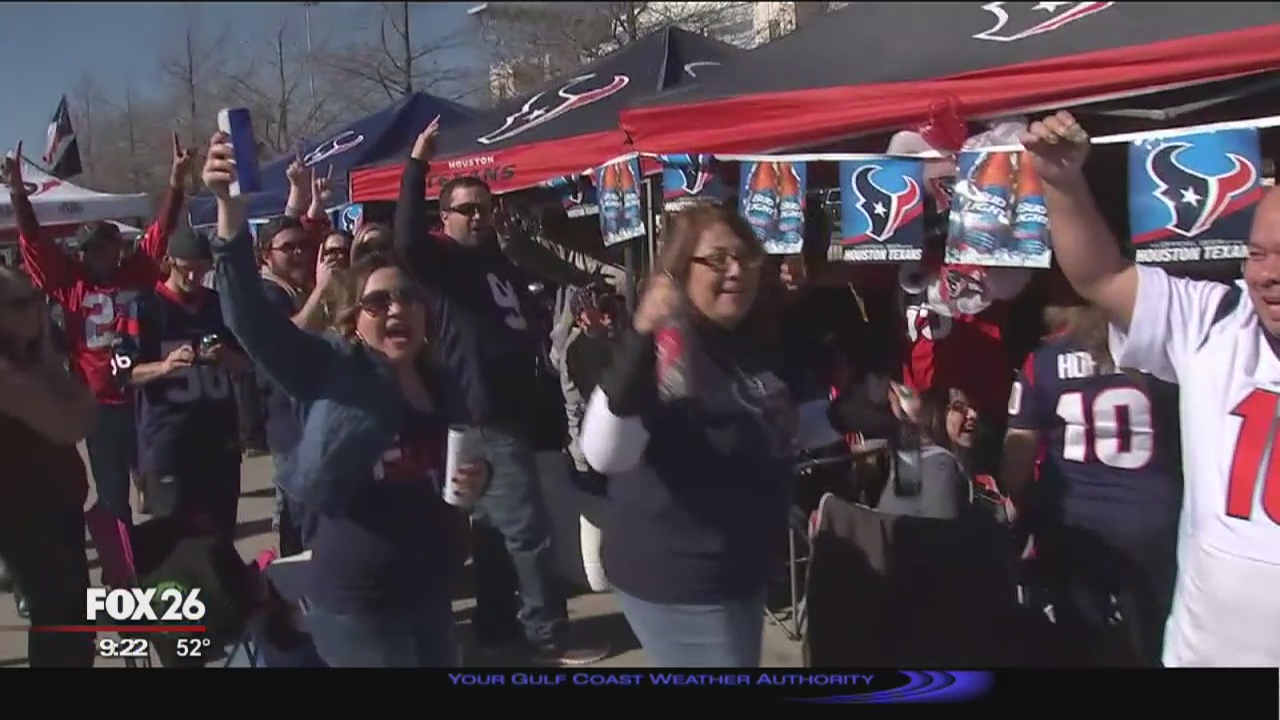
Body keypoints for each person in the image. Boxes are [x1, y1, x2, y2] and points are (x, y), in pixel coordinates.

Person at [202, 129, 487, 668]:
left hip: (432, 593)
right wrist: (230, 215)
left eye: (407, 297)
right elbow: (249, 320)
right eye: (378, 302)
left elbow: (461, 476)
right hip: (359, 603)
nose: (397, 309)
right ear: (355, 321)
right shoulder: (333, 370)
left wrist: (478, 479)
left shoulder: (441, 381)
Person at [1024, 110, 1280, 666]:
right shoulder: (1216, 321)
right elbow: (1101, 276)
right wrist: (1062, 183)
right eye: (1256, 253)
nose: (1267, 274)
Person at [580, 205, 838, 667]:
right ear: (680, 271)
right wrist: (641, 335)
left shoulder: (753, 338)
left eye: (745, 257)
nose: (736, 270)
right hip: (679, 576)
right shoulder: (667, 348)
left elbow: (781, 426)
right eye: (717, 259)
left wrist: (847, 415)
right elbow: (605, 453)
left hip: (741, 567)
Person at [394, 117, 604, 665]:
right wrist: (417, 165)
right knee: (529, 532)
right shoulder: (442, 263)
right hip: (482, 414)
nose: (478, 217)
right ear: (445, 217)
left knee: (492, 531)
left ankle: (495, 626)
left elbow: (525, 326)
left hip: (512, 411)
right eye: (466, 209)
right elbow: (406, 240)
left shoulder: (499, 263)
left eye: (484, 209)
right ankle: (547, 638)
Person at [5, 136, 191, 524]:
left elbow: (161, 231)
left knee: (162, 488)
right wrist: (19, 195)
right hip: (101, 404)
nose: (101, 255)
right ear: (83, 252)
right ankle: (121, 559)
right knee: (111, 495)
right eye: (92, 248)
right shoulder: (70, 282)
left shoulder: (135, 272)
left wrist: (176, 182)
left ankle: (164, 551)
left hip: (144, 397)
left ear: (117, 249)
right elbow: (34, 242)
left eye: (107, 247)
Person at [999, 282, 1181, 666]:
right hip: (1155, 522)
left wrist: (1017, 506)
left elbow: (1016, 463)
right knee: (1154, 646)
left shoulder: (1043, 360)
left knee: (1080, 646)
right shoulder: (1163, 354)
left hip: (1075, 528)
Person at [113, 229, 251, 540]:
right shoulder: (144, 307)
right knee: (174, 541)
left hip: (218, 440)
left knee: (220, 539)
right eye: (185, 268)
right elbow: (122, 372)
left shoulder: (219, 305)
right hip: (168, 443)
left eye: (201, 269)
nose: (192, 276)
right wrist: (165, 366)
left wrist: (226, 356)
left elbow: (248, 364)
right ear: (168, 262)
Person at [0, 266, 97, 667]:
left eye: (38, 299)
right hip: (26, 515)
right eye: (23, 303)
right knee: (62, 626)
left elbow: (83, 407)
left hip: (54, 508)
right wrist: (46, 360)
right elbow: (70, 423)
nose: (39, 312)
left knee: (71, 622)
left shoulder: (24, 358)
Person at [874, 386, 976, 521]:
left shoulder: (915, 461)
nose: (973, 415)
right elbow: (941, 530)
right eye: (959, 407)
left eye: (974, 408)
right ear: (938, 414)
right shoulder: (941, 466)